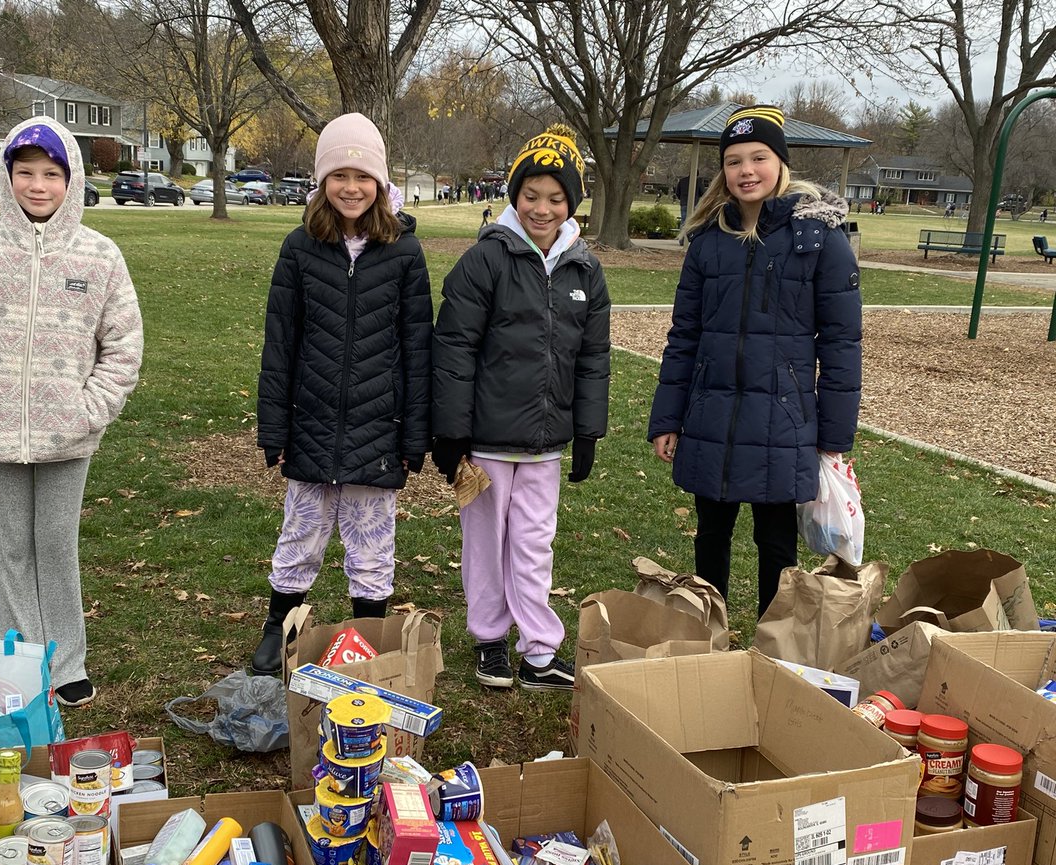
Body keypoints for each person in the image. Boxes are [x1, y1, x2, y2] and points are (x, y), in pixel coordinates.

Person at [0, 116, 144, 707]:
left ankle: (67, 660)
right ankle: (19, 661)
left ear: (71, 179)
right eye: (25, 173)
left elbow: (123, 341)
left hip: (67, 434)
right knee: (13, 548)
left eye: (51, 174)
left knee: (55, 544)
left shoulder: (99, 255)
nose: (38, 185)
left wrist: (91, 408)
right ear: (7, 175)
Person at [648, 105, 861, 619]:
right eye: (734, 160)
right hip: (712, 415)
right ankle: (707, 632)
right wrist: (667, 418)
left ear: (780, 163)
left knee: (776, 544)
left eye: (758, 158)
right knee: (711, 538)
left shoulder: (819, 240)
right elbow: (685, 336)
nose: (746, 170)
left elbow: (841, 344)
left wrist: (833, 438)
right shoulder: (708, 243)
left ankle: (772, 649)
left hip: (783, 420)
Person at [432, 124, 611, 691]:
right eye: (531, 195)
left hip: (545, 443)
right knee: (486, 543)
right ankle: (489, 639)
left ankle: (538, 650)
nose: (541, 207)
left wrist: (587, 432)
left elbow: (593, 358)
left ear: (570, 203)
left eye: (555, 198)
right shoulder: (487, 260)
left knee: (534, 544)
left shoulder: (585, 269)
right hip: (486, 441)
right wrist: (452, 432)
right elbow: (454, 348)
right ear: (514, 196)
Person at [253, 113, 433, 677]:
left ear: (379, 182)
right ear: (322, 181)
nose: (350, 187)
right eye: (339, 174)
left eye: (362, 175)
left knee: (371, 543)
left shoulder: (403, 252)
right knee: (301, 534)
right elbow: (279, 344)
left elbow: (417, 349)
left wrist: (415, 434)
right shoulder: (300, 247)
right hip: (312, 419)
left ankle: (367, 635)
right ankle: (280, 624)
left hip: (379, 426)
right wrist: (274, 428)